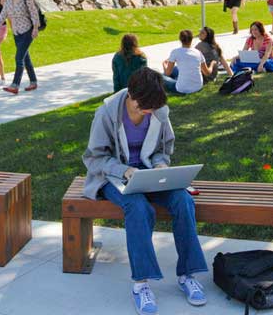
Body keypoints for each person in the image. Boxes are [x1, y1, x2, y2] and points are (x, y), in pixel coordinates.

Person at [82, 67, 208, 315]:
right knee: (138, 207)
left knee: (183, 200)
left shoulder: (158, 109)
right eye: (144, 107)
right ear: (131, 95)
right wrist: (125, 171)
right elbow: (94, 158)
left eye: (152, 108)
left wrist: (161, 164)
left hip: (150, 174)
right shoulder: (107, 112)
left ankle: (187, 275)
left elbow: (164, 147)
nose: (149, 112)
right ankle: (141, 285)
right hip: (114, 177)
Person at [0, 0, 41, 95]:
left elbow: (34, 14)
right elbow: (3, 15)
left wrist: (35, 28)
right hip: (16, 32)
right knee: (25, 58)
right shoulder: (8, 0)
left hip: (27, 31)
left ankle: (15, 85)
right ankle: (33, 81)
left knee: (19, 58)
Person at [161, 30, 211, 95]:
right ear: (192, 39)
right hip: (198, 86)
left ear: (180, 40)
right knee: (175, 68)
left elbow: (167, 73)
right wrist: (212, 64)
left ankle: (176, 80)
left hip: (181, 88)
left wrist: (164, 64)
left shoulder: (175, 52)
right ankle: (178, 78)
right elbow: (207, 73)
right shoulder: (198, 52)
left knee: (160, 76)